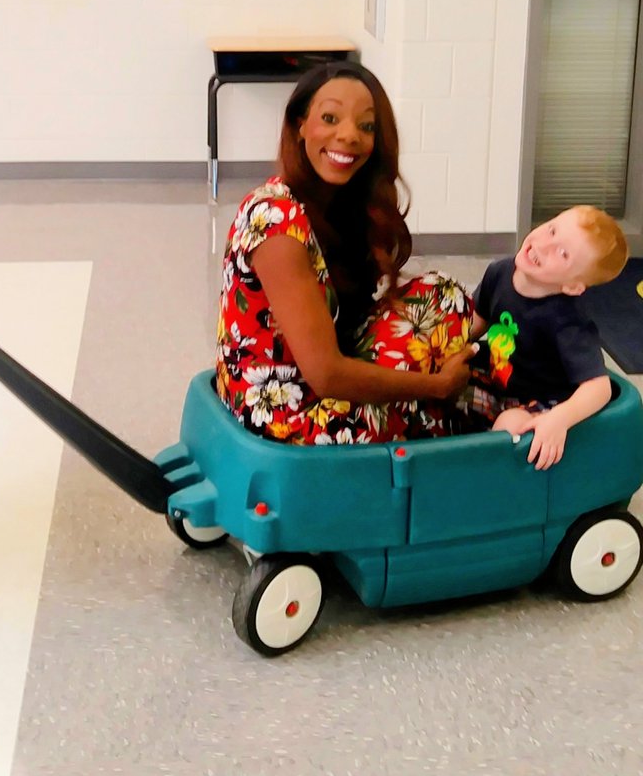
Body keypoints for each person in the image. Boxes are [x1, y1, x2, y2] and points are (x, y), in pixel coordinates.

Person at [216, 60, 477, 445]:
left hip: (319, 380)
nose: (349, 135)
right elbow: (326, 374)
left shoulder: (335, 202)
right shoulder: (274, 219)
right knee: (429, 376)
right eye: (330, 117)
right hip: (285, 419)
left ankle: (451, 401)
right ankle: (449, 418)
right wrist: (436, 385)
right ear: (300, 124)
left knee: (440, 294)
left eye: (366, 126)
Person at [468, 205, 627, 470]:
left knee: (510, 428)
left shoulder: (567, 320)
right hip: (499, 379)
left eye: (563, 253)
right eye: (552, 230)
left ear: (573, 286)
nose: (544, 245)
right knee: (440, 384)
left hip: (543, 401)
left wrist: (559, 419)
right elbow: (477, 321)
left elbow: (600, 387)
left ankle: (492, 480)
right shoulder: (500, 272)